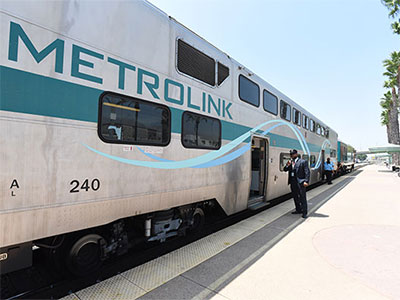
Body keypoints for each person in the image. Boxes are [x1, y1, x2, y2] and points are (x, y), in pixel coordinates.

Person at [283, 149, 310, 218]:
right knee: (295, 197)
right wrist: (287, 165)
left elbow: (307, 172)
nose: (291, 156)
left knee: (302, 197)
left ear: (296, 154)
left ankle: (304, 212)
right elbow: (285, 169)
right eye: (290, 155)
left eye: (292, 154)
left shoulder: (303, 162)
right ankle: (298, 209)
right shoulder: (290, 162)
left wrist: (306, 181)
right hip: (293, 182)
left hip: (300, 183)